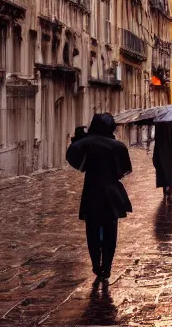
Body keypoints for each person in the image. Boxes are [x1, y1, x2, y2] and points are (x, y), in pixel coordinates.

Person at [66, 113, 132, 284]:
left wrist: (79, 138)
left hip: (92, 191)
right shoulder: (117, 146)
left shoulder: (86, 144)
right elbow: (123, 170)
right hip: (111, 193)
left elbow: (75, 159)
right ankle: (107, 266)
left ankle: (96, 264)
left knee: (92, 230)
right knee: (111, 231)